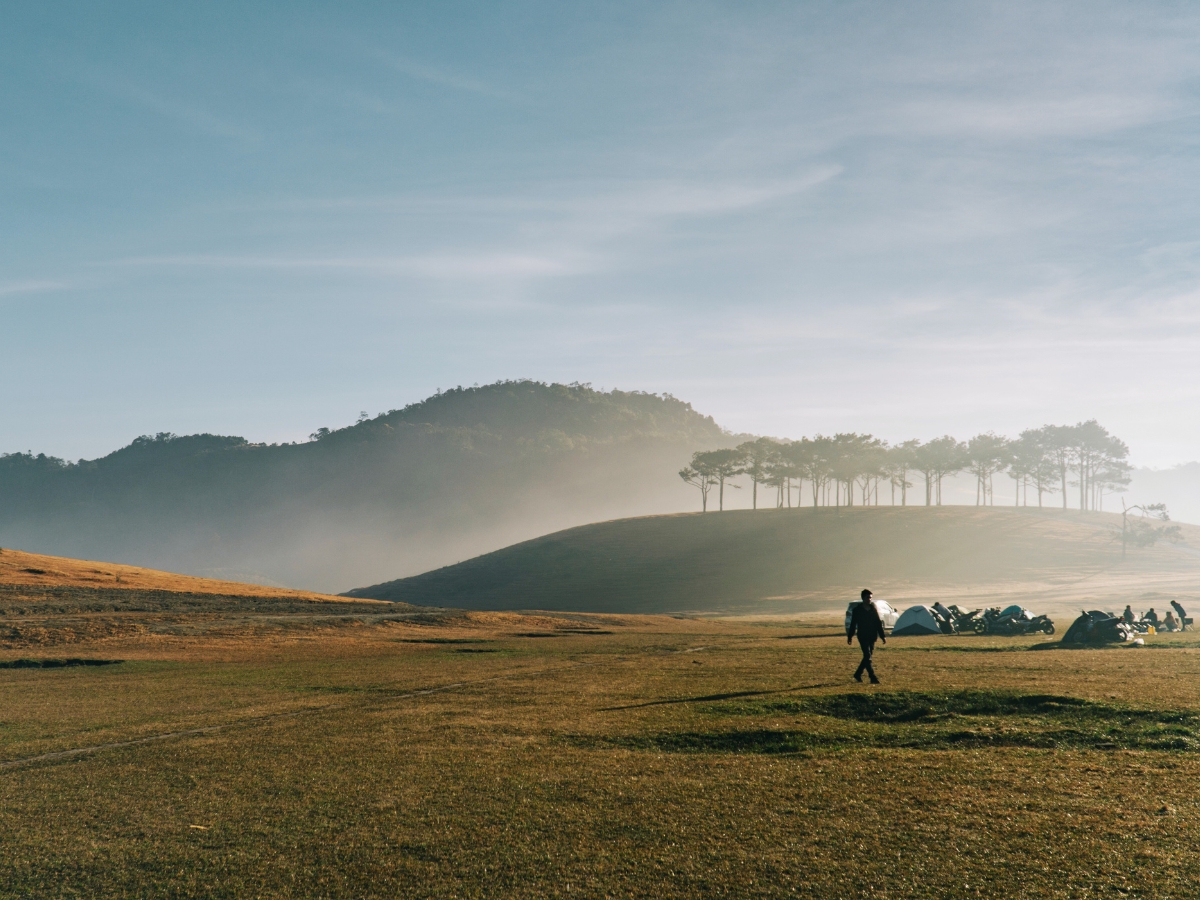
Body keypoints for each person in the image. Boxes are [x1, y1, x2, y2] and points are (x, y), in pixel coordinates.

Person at [847, 588, 886, 684]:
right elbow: (853, 624)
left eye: (870, 598)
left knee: (867, 657)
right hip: (862, 636)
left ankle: (858, 674)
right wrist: (850, 636)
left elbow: (878, 623)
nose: (870, 599)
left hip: (872, 636)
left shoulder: (873, 609)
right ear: (863, 598)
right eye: (868, 597)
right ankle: (872, 677)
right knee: (867, 655)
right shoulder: (857, 610)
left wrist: (882, 636)